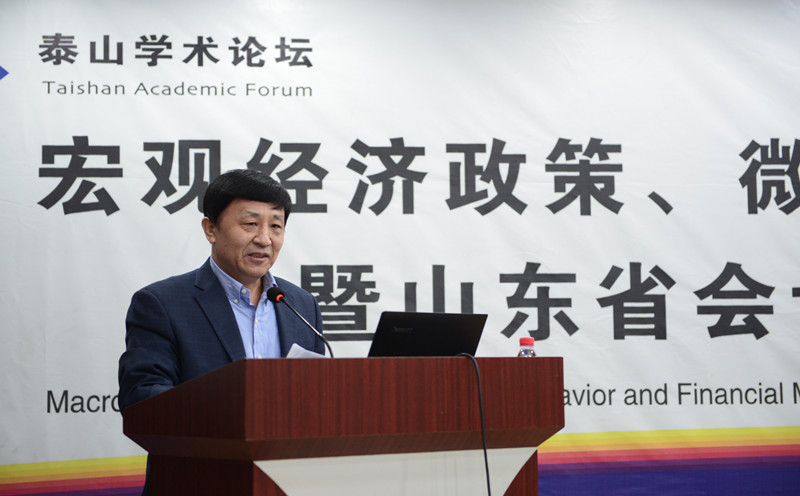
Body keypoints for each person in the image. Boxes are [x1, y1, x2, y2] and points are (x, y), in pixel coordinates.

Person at [118, 168, 325, 410]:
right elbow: (142, 397)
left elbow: (318, 394)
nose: (264, 239)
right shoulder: (162, 304)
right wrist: (232, 409)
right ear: (211, 229)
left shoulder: (301, 305)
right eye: (251, 224)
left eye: (275, 226)